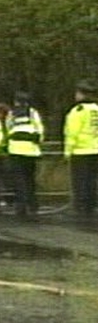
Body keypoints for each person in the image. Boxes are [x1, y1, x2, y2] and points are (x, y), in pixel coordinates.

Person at [5, 91, 45, 220]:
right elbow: (39, 128)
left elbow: (8, 128)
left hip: (16, 150)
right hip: (31, 150)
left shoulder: (12, 113)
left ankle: (21, 207)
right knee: (30, 180)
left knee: (19, 181)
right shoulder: (32, 113)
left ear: (16, 101)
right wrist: (38, 141)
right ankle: (33, 205)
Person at [63, 80, 98, 221]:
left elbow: (72, 133)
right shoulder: (96, 109)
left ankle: (82, 207)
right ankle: (91, 205)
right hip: (96, 150)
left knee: (81, 181)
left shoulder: (78, 111)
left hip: (81, 151)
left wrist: (67, 151)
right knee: (92, 180)